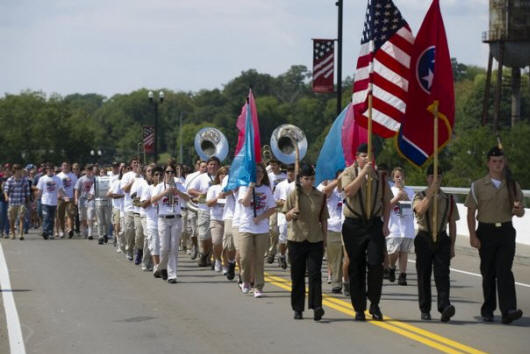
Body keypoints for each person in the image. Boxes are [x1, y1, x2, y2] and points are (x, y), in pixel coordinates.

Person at [465, 146, 525, 324]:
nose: (498, 165)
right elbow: (470, 213)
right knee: (488, 271)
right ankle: (488, 310)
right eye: (494, 162)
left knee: (504, 270)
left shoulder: (513, 185)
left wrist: (518, 210)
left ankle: (508, 310)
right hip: (486, 232)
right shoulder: (478, 186)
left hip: (506, 231)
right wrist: (472, 235)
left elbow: (520, 212)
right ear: (488, 163)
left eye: (500, 161)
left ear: (504, 162)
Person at [340, 143, 391, 321]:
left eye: (369, 156)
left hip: (374, 224)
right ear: (356, 157)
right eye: (363, 156)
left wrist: (386, 223)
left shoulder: (380, 177)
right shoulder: (348, 173)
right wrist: (363, 174)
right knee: (356, 266)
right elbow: (348, 191)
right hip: (354, 225)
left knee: (376, 264)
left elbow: (387, 201)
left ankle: (375, 303)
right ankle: (359, 307)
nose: (366, 159)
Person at [413, 165, 458, 322]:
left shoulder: (449, 199)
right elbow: (420, 210)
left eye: (438, 177)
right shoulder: (420, 195)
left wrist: (452, 245)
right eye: (432, 176)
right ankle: (425, 309)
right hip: (424, 237)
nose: (435, 180)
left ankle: (444, 306)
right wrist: (431, 192)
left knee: (443, 274)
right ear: (427, 178)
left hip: (442, 238)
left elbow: (452, 222)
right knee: (424, 275)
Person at [284, 164, 328, 320]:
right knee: (297, 275)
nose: (309, 181)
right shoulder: (294, 194)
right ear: (300, 179)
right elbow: (286, 216)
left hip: (315, 238)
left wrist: (325, 240)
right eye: (305, 178)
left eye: (311, 179)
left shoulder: (320, 196)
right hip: (296, 238)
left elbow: (323, 219)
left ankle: (317, 306)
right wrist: (291, 212)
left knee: (315, 273)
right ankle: (298, 308)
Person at [238, 163, 276, 298]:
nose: (259, 174)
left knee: (259, 259)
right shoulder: (244, 187)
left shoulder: (266, 189)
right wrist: (251, 187)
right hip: (246, 227)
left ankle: (258, 286)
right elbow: (246, 203)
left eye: (261, 172)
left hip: (262, 229)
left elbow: (272, 208)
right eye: (256, 172)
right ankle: (246, 281)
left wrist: (261, 217)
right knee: (245, 257)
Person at [151, 163, 190, 283]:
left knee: (173, 247)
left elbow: (187, 198)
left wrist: (177, 191)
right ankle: (162, 267)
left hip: (176, 218)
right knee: (164, 247)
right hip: (163, 218)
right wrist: (165, 192)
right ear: (164, 174)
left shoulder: (179, 185)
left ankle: (172, 274)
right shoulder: (159, 186)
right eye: (167, 172)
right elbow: (152, 200)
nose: (170, 174)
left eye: (172, 172)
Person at [188, 157, 220, 267]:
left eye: (215, 164)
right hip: (204, 210)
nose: (212, 166)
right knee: (203, 236)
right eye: (210, 164)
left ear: (218, 166)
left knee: (215, 238)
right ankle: (205, 253)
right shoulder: (201, 178)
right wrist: (200, 194)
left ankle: (214, 259)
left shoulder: (222, 178)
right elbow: (190, 190)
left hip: (218, 211)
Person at [386, 167, 415, 285]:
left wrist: (406, 197)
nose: (399, 179)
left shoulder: (410, 190)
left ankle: (403, 275)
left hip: (406, 227)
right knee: (394, 252)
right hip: (394, 227)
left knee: (404, 251)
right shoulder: (390, 190)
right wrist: (397, 197)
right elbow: (387, 206)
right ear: (393, 178)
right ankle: (392, 266)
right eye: (397, 176)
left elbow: (414, 206)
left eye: (401, 176)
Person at [317, 171, 344, 294]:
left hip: (347, 227)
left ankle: (348, 281)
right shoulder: (325, 187)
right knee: (335, 258)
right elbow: (324, 193)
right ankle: (336, 283)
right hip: (332, 227)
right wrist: (337, 181)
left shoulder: (347, 188)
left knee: (349, 258)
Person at [206, 167, 229, 273]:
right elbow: (209, 203)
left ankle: (226, 264)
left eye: (226, 174)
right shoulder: (213, 188)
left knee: (227, 244)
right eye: (221, 174)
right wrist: (218, 197)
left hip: (228, 219)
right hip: (216, 219)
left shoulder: (233, 189)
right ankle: (218, 260)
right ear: (218, 176)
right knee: (216, 242)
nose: (223, 176)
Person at [141, 166, 162, 277]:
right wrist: (154, 197)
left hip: (164, 220)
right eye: (156, 175)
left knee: (163, 245)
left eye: (160, 175)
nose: (158, 177)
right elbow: (143, 205)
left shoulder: (166, 188)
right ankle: (156, 266)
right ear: (152, 177)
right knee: (154, 244)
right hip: (152, 221)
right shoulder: (148, 189)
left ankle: (163, 265)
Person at [183, 160, 206, 259]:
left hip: (205, 208)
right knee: (193, 230)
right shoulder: (191, 176)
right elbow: (187, 191)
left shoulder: (211, 177)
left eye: (206, 166)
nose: (204, 168)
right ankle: (195, 246)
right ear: (198, 167)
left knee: (201, 231)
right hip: (193, 206)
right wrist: (196, 197)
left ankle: (202, 252)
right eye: (202, 166)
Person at [274, 165, 296, 270]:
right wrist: (282, 202)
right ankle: (282, 255)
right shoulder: (280, 185)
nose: (290, 173)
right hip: (282, 213)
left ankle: (291, 257)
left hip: (295, 213)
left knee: (293, 237)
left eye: (292, 171)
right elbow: (274, 200)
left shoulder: (299, 185)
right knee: (283, 235)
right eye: (289, 171)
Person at [36, 163, 66, 239]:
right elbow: (39, 190)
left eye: (51, 169)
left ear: (53, 170)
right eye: (48, 169)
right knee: (46, 217)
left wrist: (65, 197)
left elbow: (60, 189)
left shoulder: (57, 179)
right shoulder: (42, 179)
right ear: (46, 170)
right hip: (45, 201)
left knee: (52, 218)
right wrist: (36, 199)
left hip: (54, 201)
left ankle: (50, 233)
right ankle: (45, 231)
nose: (50, 171)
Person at [266, 159, 286, 263]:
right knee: (273, 230)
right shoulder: (269, 176)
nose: (272, 167)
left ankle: (280, 253)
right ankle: (272, 250)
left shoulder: (285, 176)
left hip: (284, 205)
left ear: (279, 165)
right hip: (273, 204)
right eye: (271, 165)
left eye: (274, 165)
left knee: (283, 230)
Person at [121, 158, 141, 261]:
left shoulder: (143, 176)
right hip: (129, 207)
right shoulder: (127, 175)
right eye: (135, 163)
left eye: (138, 163)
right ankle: (129, 249)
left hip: (140, 208)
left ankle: (138, 249)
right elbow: (125, 189)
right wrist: (133, 181)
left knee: (138, 232)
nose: (137, 164)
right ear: (131, 165)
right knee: (129, 230)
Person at [3, 164, 30, 240]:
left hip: (21, 202)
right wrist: (6, 197)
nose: (19, 171)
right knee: (12, 219)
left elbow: (27, 192)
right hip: (12, 202)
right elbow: (5, 190)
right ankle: (13, 233)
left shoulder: (24, 180)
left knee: (21, 217)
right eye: (17, 169)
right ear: (14, 170)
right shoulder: (10, 180)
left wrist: (28, 201)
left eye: (20, 169)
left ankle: (21, 234)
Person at [57, 162, 78, 238]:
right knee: (60, 216)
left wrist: (75, 198)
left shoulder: (73, 176)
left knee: (70, 214)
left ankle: (70, 230)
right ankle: (62, 231)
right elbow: (56, 187)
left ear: (69, 167)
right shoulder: (58, 176)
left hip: (70, 198)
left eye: (67, 165)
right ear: (61, 167)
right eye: (64, 166)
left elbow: (76, 188)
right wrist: (58, 195)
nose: (65, 167)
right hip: (61, 198)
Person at [75, 165, 96, 239]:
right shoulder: (81, 179)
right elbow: (77, 190)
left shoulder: (95, 179)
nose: (89, 171)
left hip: (91, 200)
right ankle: (85, 230)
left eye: (90, 170)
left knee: (90, 216)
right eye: (87, 170)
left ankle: (90, 232)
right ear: (85, 170)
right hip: (82, 199)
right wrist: (76, 199)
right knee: (83, 217)